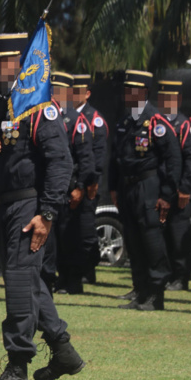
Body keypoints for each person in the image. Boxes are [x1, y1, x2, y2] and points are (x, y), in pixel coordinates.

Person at [0, 32, 84, 380]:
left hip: (29, 206)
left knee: (17, 282)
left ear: (23, 63)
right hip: (1, 204)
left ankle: (17, 365)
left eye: (5, 62)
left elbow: (61, 162)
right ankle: (63, 351)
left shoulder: (39, 106)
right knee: (26, 281)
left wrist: (47, 215)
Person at [108, 70, 182, 311]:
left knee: (151, 239)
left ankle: (155, 294)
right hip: (127, 187)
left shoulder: (157, 122)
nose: (128, 94)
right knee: (133, 239)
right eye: (126, 90)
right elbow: (116, 157)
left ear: (144, 92)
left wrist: (167, 194)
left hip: (148, 186)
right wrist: (113, 186)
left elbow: (173, 159)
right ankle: (140, 290)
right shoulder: (125, 122)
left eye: (133, 90)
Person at [50, 72, 95, 295]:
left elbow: (86, 159)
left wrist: (80, 188)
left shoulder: (76, 120)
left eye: (59, 90)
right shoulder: (48, 116)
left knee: (71, 237)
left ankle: (73, 281)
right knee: (56, 237)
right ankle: (61, 278)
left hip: (70, 189)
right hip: (53, 189)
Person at [156, 79, 191, 291]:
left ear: (178, 100)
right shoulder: (156, 124)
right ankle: (165, 276)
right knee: (161, 237)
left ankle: (181, 278)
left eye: (171, 98)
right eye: (163, 98)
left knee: (177, 236)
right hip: (159, 191)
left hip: (178, 192)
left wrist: (185, 188)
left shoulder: (184, 126)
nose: (167, 102)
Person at [72, 74, 107, 283]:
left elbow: (98, 155)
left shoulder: (94, 120)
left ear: (87, 94)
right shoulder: (66, 115)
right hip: (71, 182)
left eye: (78, 91)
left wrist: (91, 182)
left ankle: (88, 269)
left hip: (88, 183)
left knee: (85, 229)